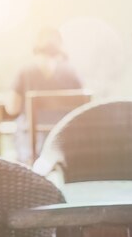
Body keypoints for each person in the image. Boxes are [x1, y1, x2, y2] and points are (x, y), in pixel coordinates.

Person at [6, 27, 83, 164]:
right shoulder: (71, 72)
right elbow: (82, 108)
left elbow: (12, 108)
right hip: (64, 145)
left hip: (31, 147)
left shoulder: (25, 71)